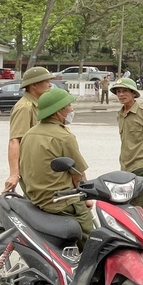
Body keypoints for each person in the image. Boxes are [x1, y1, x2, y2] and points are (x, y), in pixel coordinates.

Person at [20, 88, 92, 249]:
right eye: (69, 106)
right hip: (62, 203)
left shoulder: (29, 134)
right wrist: (87, 198)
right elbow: (78, 176)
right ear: (59, 111)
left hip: (36, 200)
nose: (72, 110)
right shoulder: (64, 137)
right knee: (95, 242)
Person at [4, 67, 55, 193]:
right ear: (34, 85)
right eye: (46, 81)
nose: (50, 85)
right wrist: (14, 174)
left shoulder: (37, 105)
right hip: (32, 168)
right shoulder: (24, 107)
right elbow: (15, 140)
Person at [110, 78, 143, 207]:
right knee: (124, 204)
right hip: (124, 166)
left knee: (136, 206)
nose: (121, 94)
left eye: (125, 91)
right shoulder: (120, 114)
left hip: (140, 167)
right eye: (118, 92)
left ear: (133, 93)